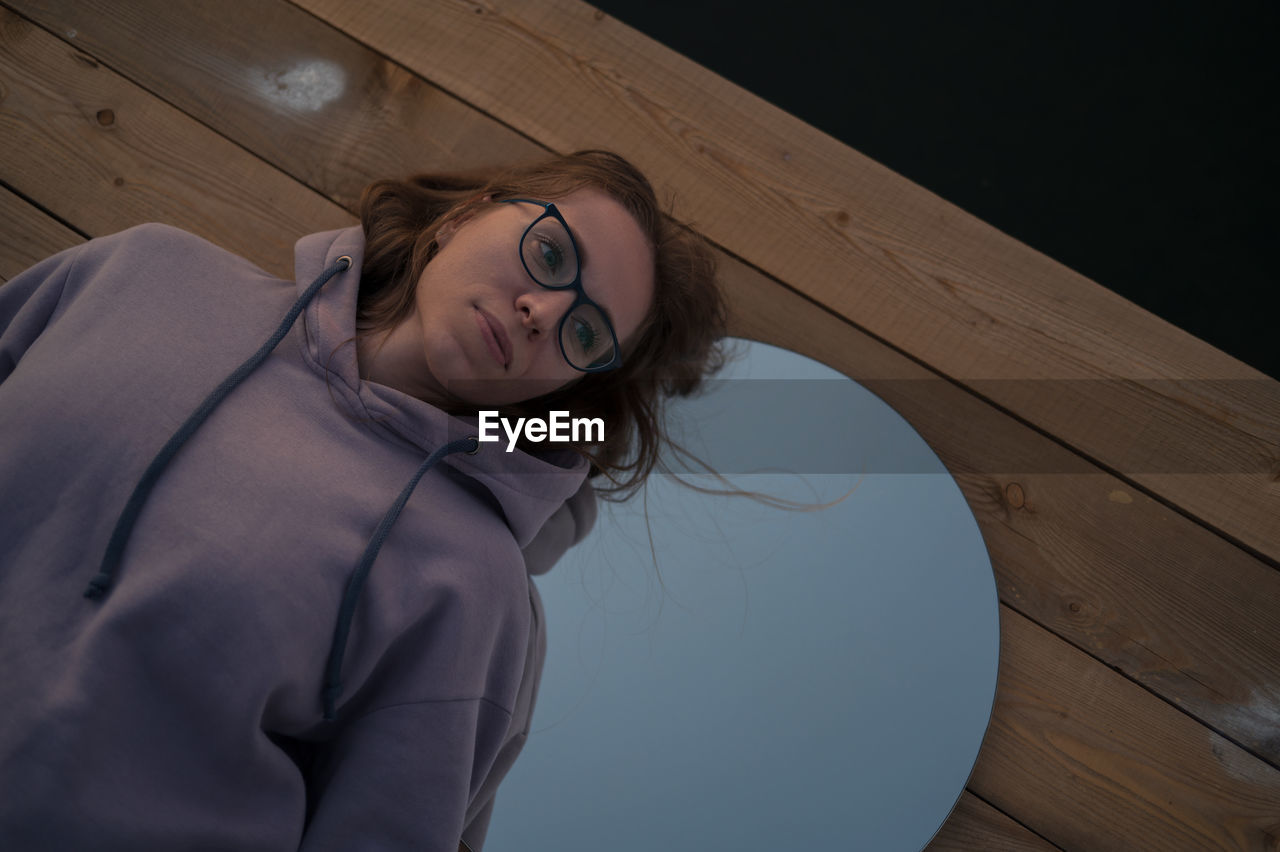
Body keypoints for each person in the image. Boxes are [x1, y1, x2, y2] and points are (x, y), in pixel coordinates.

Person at [0, 150, 727, 851]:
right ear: (467, 216)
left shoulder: (474, 589)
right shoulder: (144, 270)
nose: (542, 310)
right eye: (550, 257)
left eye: (585, 332)